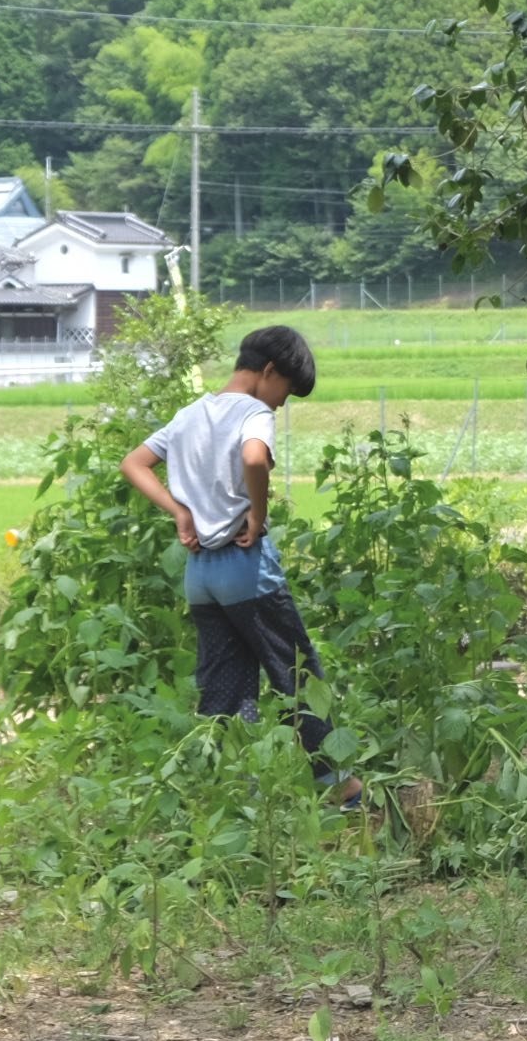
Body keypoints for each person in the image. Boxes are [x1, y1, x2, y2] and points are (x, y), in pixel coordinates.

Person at [118, 324, 357, 803]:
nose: (281, 405)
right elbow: (253, 458)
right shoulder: (253, 411)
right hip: (246, 569)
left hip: (200, 575)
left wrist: (179, 511)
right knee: (298, 674)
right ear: (269, 372)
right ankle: (339, 788)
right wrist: (258, 513)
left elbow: (134, 463)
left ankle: (229, 794)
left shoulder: (189, 414)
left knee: (225, 690)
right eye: (285, 393)